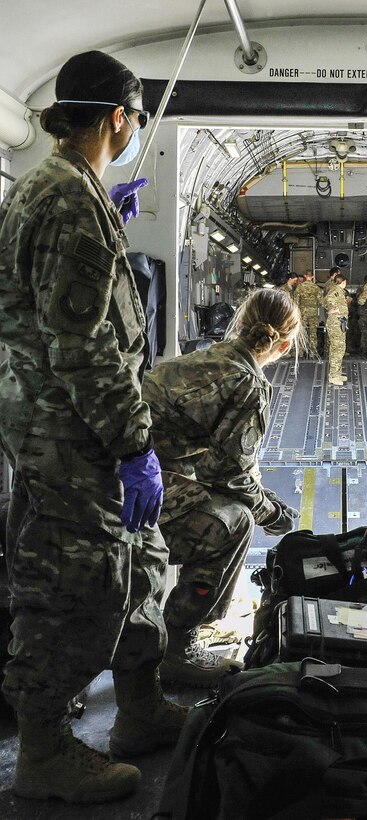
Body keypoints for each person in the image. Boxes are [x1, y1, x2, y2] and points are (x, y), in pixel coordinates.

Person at [0, 50, 188, 804]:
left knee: (145, 565)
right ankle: (44, 746)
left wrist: (112, 220)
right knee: (74, 585)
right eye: (136, 119)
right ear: (118, 118)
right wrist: (134, 443)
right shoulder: (68, 201)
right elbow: (79, 344)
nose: (136, 129)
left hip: (77, 423)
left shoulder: (71, 193)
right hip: (67, 432)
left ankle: (139, 709)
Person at [142, 288, 301, 685]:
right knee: (234, 523)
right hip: (134, 485)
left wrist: (260, 495)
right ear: (282, 346)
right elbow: (228, 476)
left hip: (117, 470)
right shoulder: (247, 382)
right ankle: (179, 646)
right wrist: (274, 514)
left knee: (227, 507)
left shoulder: (209, 357)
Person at [323, 272, 349, 386]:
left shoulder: (339, 291)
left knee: (340, 348)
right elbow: (327, 300)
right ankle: (333, 376)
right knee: (337, 349)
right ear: (343, 282)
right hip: (335, 323)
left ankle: (336, 373)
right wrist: (335, 309)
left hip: (339, 323)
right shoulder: (335, 290)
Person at [294, 269, 322, 357]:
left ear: (305, 276)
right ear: (312, 277)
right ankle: (312, 352)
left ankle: (300, 352)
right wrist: (314, 305)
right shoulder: (316, 288)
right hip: (313, 312)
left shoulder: (300, 287)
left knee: (301, 332)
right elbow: (320, 302)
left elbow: (295, 301)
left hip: (302, 313)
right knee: (313, 332)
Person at [356, 274, 367, 356]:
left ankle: (364, 348)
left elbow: (358, 300)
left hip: (365, 313)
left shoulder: (361, 289)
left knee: (365, 333)